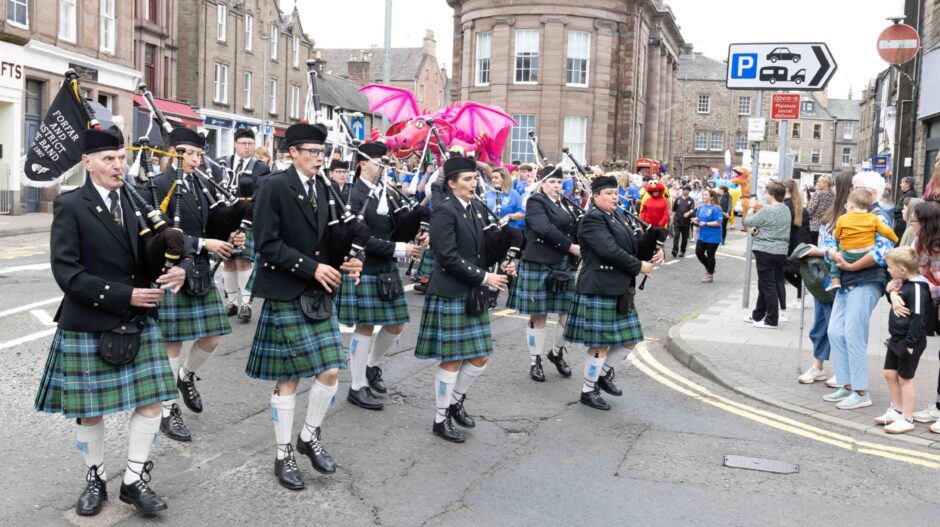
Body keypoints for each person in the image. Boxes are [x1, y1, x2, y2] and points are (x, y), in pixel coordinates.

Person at [35, 129, 188, 516]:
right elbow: (67, 273)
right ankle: (95, 477)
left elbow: (154, 260)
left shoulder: (140, 201)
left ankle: (135, 480)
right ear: (87, 163)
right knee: (90, 410)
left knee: (153, 403)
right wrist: (126, 295)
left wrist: (176, 266)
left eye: (121, 158)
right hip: (91, 317)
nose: (118, 165)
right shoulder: (71, 205)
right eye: (108, 159)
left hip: (138, 318)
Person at [247, 123, 363, 489]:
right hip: (287, 290)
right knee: (289, 379)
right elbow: (267, 243)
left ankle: (309, 435)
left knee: (330, 372)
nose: (319, 157)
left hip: (317, 294)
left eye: (321, 152)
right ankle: (283, 454)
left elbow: (332, 237)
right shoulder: (274, 186)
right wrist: (312, 268)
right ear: (292, 152)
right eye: (311, 151)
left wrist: (350, 259)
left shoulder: (326, 187)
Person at [414, 155, 516, 443]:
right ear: (452, 183)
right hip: (450, 291)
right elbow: (447, 257)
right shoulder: (445, 211)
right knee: (452, 360)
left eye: (475, 178)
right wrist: (485, 277)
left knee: (480, 357)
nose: (474, 183)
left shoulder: (476, 209)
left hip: (472, 290)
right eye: (468, 179)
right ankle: (440, 417)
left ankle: (455, 401)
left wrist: (506, 258)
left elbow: (484, 250)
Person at [148, 128, 240, 442]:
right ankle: (167, 409)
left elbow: (213, 224)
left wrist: (233, 229)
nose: (197, 159)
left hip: (198, 270)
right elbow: (157, 234)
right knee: (171, 344)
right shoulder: (157, 185)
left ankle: (185, 376)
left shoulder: (199, 184)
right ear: (173, 152)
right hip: (171, 269)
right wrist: (204, 243)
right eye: (190, 153)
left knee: (213, 336)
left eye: (200, 154)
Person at [336, 142, 425, 411]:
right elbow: (358, 238)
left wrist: (421, 216)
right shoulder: (352, 195)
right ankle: (357, 386)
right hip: (365, 267)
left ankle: (372, 366)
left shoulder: (388, 192)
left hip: (386, 268)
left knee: (396, 324)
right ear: (363, 163)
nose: (384, 167)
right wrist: (400, 248)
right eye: (379, 162)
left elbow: (399, 227)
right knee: (364, 327)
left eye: (386, 163)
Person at [565, 175, 663, 410]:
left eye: (615, 193)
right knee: (599, 344)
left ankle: (602, 374)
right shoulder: (592, 220)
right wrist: (639, 266)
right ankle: (588, 390)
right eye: (608, 193)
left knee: (629, 341)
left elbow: (634, 245)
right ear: (596, 196)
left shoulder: (616, 215)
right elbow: (608, 250)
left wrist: (655, 251)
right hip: (599, 286)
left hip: (619, 287)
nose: (613, 197)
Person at [822, 171, 896, 411]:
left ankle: (861, 391)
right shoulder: (850, 215)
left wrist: (851, 264)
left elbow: (883, 251)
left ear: (871, 193)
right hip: (845, 279)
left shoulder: (879, 217)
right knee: (835, 331)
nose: (849, 193)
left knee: (853, 333)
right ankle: (847, 383)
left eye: (855, 187)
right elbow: (833, 241)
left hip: (865, 280)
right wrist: (832, 252)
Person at [506, 165, 580, 382]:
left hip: (564, 265)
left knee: (568, 316)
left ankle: (556, 353)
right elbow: (543, 228)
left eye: (559, 182)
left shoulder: (566, 204)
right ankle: (535, 360)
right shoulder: (535, 202)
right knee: (539, 316)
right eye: (552, 182)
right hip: (540, 263)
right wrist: (570, 246)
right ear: (542, 183)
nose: (557, 185)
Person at [892, 201, 940, 431]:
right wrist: (893, 291)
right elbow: (905, 272)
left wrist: (923, 286)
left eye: (913, 221)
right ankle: (938, 407)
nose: (910, 224)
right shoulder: (919, 241)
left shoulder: (937, 248)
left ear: (925, 223)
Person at [876, 247, 933, 434]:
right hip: (896, 338)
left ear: (902, 269)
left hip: (909, 341)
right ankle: (897, 410)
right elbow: (897, 303)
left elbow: (918, 318)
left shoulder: (917, 288)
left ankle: (907, 419)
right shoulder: (904, 283)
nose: (888, 270)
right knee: (889, 374)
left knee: (905, 379)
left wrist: (910, 344)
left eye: (890, 267)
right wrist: (888, 292)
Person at [216, 128, 270, 322]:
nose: (247, 147)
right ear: (235, 144)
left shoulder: (261, 168)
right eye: (243, 143)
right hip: (226, 219)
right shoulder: (222, 163)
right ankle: (231, 303)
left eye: (250, 144)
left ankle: (246, 304)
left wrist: (249, 216)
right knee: (228, 261)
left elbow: (261, 196)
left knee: (244, 261)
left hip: (248, 218)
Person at [827, 188, 899, 292]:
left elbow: (836, 236)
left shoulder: (842, 218)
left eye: (847, 206)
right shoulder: (874, 218)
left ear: (851, 206)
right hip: (866, 253)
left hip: (848, 256)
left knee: (836, 255)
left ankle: (835, 280)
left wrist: (837, 237)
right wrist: (895, 239)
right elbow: (887, 232)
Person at [743, 181, 791, 329]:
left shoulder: (767, 210)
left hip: (765, 250)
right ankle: (758, 314)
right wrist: (758, 230)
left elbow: (747, 221)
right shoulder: (785, 209)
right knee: (765, 284)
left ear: (772, 195)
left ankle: (771, 319)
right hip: (780, 251)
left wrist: (751, 208)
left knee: (768, 286)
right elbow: (773, 227)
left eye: (765, 192)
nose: (764, 195)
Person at [692, 189, 724, 283]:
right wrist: (696, 220)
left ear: (711, 197)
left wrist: (705, 223)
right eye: (703, 194)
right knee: (698, 252)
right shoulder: (701, 207)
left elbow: (718, 223)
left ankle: (709, 274)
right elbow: (699, 218)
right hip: (702, 235)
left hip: (713, 236)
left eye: (706, 195)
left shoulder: (716, 209)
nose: (703, 196)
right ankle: (710, 268)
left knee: (710, 255)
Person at [806, 175, 834, 247]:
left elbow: (810, 210)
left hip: (814, 226)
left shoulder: (818, 194)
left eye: (819, 181)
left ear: (825, 183)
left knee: (812, 247)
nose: (817, 183)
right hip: (827, 226)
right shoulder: (833, 195)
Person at [671, 186, 694, 258]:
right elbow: (674, 210)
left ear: (689, 191)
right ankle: (675, 250)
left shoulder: (691, 200)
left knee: (684, 238)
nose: (684, 191)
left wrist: (688, 213)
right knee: (676, 236)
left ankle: (682, 251)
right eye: (683, 189)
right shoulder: (678, 199)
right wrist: (672, 219)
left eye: (685, 189)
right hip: (677, 221)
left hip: (686, 222)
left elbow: (692, 209)